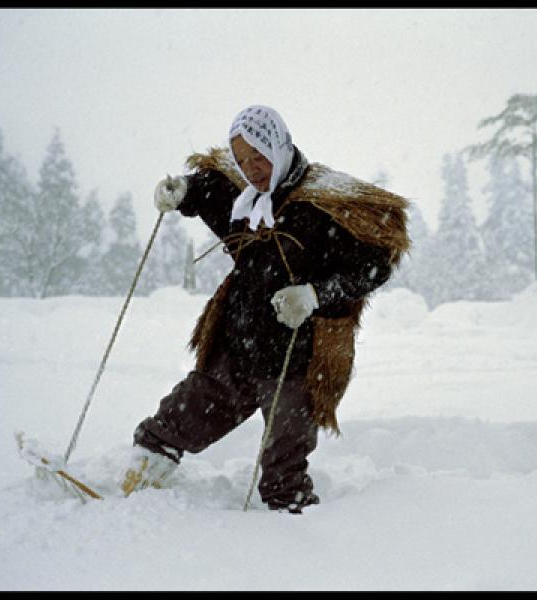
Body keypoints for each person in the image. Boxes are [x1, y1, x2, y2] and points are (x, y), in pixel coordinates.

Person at [121, 105, 410, 513]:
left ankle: (295, 545)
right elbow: (208, 190)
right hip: (238, 345)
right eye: (242, 160)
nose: (252, 168)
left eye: (259, 155)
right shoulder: (244, 200)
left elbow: (374, 265)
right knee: (174, 423)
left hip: (297, 359)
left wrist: (314, 294)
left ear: (280, 145)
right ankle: (139, 478)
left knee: (284, 472)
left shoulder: (321, 205)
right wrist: (182, 191)